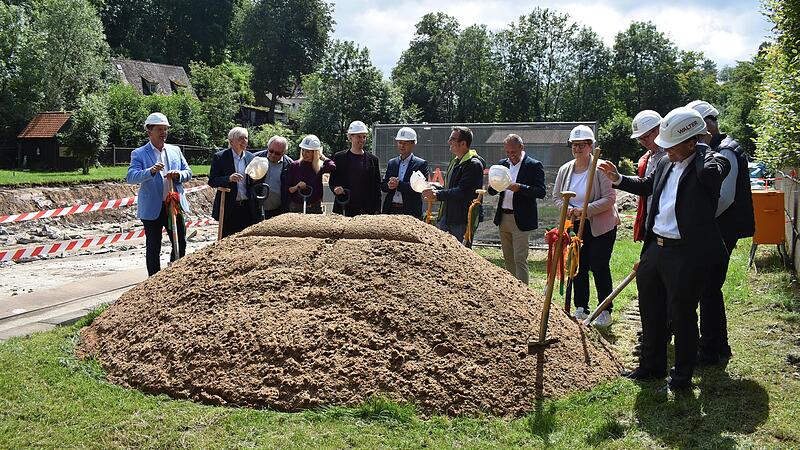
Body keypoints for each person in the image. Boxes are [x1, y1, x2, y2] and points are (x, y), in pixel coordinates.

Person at [598, 107, 730, 392]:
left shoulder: (713, 163)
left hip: (686, 253)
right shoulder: (667, 164)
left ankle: (681, 378)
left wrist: (702, 146)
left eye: (671, 145)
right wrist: (619, 179)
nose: (664, 149)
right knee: (651, 309)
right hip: (655, 248)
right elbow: (648, 186)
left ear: (692, 142)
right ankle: (651, 367)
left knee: (681, 315)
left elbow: (709, 173)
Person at [688, 100, 755, 365]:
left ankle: (711, 350)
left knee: (709, 288)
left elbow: (723, 198)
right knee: (710, 288)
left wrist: (696, 219)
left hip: (722, 229)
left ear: (706, 126)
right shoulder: (719, 148)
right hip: (719, 227)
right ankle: (719, 346)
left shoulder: (724, 151)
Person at [553, 125, 619, 327]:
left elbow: (609, 199)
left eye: (582, 145)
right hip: (576, 224)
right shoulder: (565, 170)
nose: (577, 149)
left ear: (591, 146)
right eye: (574, 145)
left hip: (600, 225)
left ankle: (604, 310)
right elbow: (556, 197)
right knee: (577, 266)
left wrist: (586, 209)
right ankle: (581, 306)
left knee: (599, 265)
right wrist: (569, 209)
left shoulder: (600, 169)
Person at [126, 112, 192, 276]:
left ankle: (173, 274)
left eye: (165, 129)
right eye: (160, 129)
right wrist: (151, 171)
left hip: (174, 205)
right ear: (149, 131)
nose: (164, 133)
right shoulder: (139, 153)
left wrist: (178, 175)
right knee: (154, 246)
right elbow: (131, 177)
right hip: (152, 208)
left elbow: (188, 173)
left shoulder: (175, 150)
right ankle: (154, 280)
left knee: (180, 242)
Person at [486, 134, 546, 284]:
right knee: (508, 258)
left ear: (521, 147)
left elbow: (540, 191)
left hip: (521, 219)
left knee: (519, 258)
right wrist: (493, 184)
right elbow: (492, 190)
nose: (510, 155)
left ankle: (524, 294)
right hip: (503, 217)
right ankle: (512, 291)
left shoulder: (533, 165)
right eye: (507, 152)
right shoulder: (503, 164)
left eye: (513, 152)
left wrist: (520, 188)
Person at [422, 126, 485, 245]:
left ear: (463, 143)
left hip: (461, 220)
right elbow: (450, 189)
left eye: (452, 139)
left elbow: (462, 191)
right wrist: (435, 188)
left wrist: (437, 194)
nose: (449, 142)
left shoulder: (473, 164)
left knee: (461, 257)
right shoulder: (456, 161)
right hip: (448, 216)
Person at [208, 127, 261, 238]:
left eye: (246, 138)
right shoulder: (220, 157)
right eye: (240, 138)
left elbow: (253, 183)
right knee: (226, 240)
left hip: (247, 208)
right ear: (231, 141)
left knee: (245, 241)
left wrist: (255, 179)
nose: (244, 141)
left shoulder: (251, 158)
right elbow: (212, 181)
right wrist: (229, 179)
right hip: (229, 208)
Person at [329, 120, 381, 216]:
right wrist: (336, 188)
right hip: (343, 207)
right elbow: (333, 180)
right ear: (350, 137)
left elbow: (377, 187)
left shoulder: (373, 160)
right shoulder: (339, 157)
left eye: (364, 137)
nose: (362, 140)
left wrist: (377, 209)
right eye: (358, 137)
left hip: (366, 211)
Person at [629, 110, 666, 242]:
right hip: (651, 224)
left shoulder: (674, 155)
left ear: (659, 129)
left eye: (646, 137)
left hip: (666, 225)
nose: (643, 142)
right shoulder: (647, 158)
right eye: (640, 139)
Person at [380, 127, 429, 218]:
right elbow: (383, 186)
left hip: (410, 212)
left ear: (413, 143)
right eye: (400, 143)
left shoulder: (421, 164)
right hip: (391, 210)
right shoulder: (392, 163)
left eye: (405, 143)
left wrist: (399, 185)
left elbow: (419, 188)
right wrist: (389, 185)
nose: (402, 146)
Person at [287, 134, 335, 214]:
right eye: (303, 150)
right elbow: (289, 189)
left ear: (315, 153)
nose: (304, 154)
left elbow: (332, 167)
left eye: (308, 152)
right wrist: (297, 187)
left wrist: (322, 157)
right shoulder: (295, 165)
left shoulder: (319, 167)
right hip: (297, 207)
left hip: (315, 207)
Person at [253, 136, 294, 220]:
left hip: (279, 210)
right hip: (255, 209)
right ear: (268, 147)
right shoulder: (255, 158)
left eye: (277, 153)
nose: (273, 155)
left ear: (284, 153)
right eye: (271, 151)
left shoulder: (290, 164)